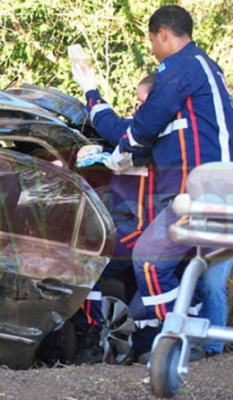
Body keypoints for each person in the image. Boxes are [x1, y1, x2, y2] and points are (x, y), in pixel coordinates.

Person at [113, 5, 233, 361]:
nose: (152, 49)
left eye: (152, 41)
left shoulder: (178, 67)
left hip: (205, 190)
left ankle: (180, 340)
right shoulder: (208, 68)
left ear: (163, 33)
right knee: (205, 275)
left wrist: (128, 145)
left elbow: (148, 121)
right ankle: (204, 344)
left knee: (149, 258)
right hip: (222, 187)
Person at [69, 75, 156, 364]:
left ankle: (91, 336)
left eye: (142, 101)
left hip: (141, 228)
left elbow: (118, 136)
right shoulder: (139, 132)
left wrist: (89, 89)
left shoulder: (152, 133)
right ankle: (137, 345)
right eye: (136, 101)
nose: (137, 107)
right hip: (125, 225)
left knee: (88, 263)